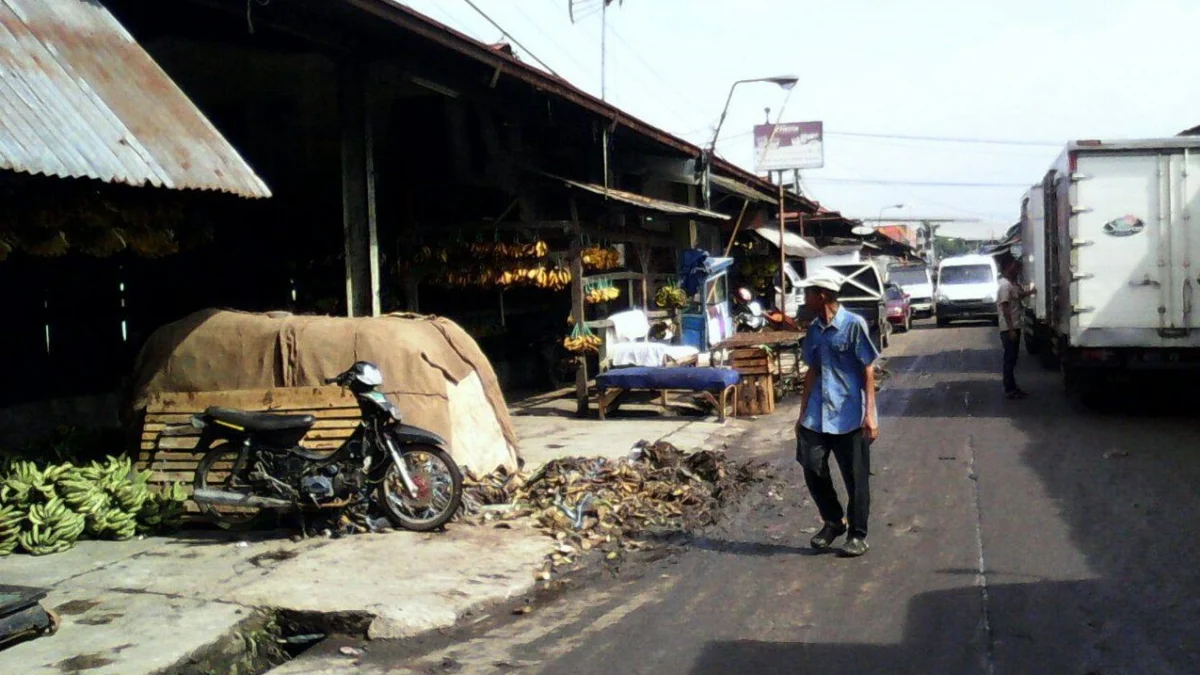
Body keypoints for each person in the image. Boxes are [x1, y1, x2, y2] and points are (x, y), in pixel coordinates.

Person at [794, 270, 880, 557]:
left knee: (855, 478)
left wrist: (871, 415)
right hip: (817, 414)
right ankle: (834, 520)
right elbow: (812, 370)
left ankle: (857, 534)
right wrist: (801, 413)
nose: (804, 299)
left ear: (822, 296)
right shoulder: (814, 330)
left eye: (808, 293)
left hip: (848, 415)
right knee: (810, 464)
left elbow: (868, 370)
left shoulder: (853, 325)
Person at [997, 260, 1035, 399]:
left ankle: (1012, 387)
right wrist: (1011, 329)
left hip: (1014, 326)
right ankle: (1009, 389)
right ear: (1008, 267)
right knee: (1009, 359)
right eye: (1015, 268)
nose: (1018, 271)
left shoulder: (1010, 284)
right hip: (1009, 328)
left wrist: (1030, 292)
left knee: (1012, 359)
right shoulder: (1004, 286)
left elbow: (1018, 295)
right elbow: (1005, 308)